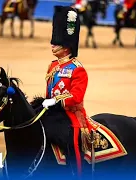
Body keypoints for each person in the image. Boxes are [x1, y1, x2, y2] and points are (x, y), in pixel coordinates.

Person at [42, 5, 94, 177]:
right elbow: (49, 91)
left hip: (72, 115)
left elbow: (76, 97)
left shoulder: (78, 69)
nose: (52, 45)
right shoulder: (52, 65)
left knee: (72, 140)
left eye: (56, 42)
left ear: (67, 46)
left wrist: (55, 101)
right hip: (52, 112)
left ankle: (77, 173)